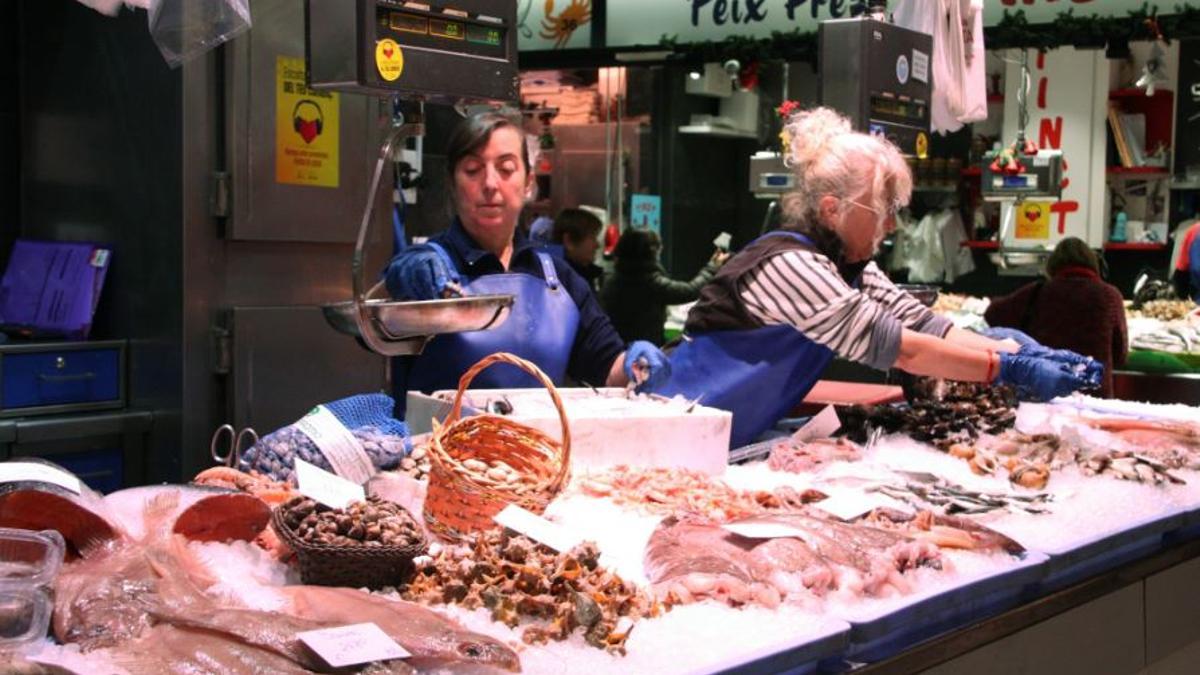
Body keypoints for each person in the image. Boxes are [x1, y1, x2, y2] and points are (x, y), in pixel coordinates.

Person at [648, 107, 1100, 448]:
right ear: (831, 209)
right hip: (671, 433)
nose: (890, 228)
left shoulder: (848, 268)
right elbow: (900, 348)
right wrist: (1004, 368)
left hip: (726, 435)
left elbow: (924, 325)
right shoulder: (790, 266)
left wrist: (1013, 349)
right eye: (882, 212)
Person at [383, 111, 669, 410]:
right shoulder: (428, 267)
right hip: (436, 449)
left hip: (539, 449)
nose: (490, 183)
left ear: (529, 183)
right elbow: (374, 328)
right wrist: (403, 277)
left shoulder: (557, 277)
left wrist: (637, 364)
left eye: (506, 168)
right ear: (453, 185)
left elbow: (606, 365)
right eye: (472, 169)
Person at [984, 237, 1128, 398]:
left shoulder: (1038, 292)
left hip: (1044, 393)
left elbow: (992, 314)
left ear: (1052, 265)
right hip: (1095, 395)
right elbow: (1121, 355)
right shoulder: (1110, 296)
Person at [600, 228, 729, 345]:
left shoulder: (612, 279)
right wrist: (712, 267)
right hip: (642, 350)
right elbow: (690, 291)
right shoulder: (649, 281)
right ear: (650, 252)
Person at [550, 208, 604, 293]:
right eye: (592, 237)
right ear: (569, 241)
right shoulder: (562, 287)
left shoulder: (581, 276)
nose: (597, 245)